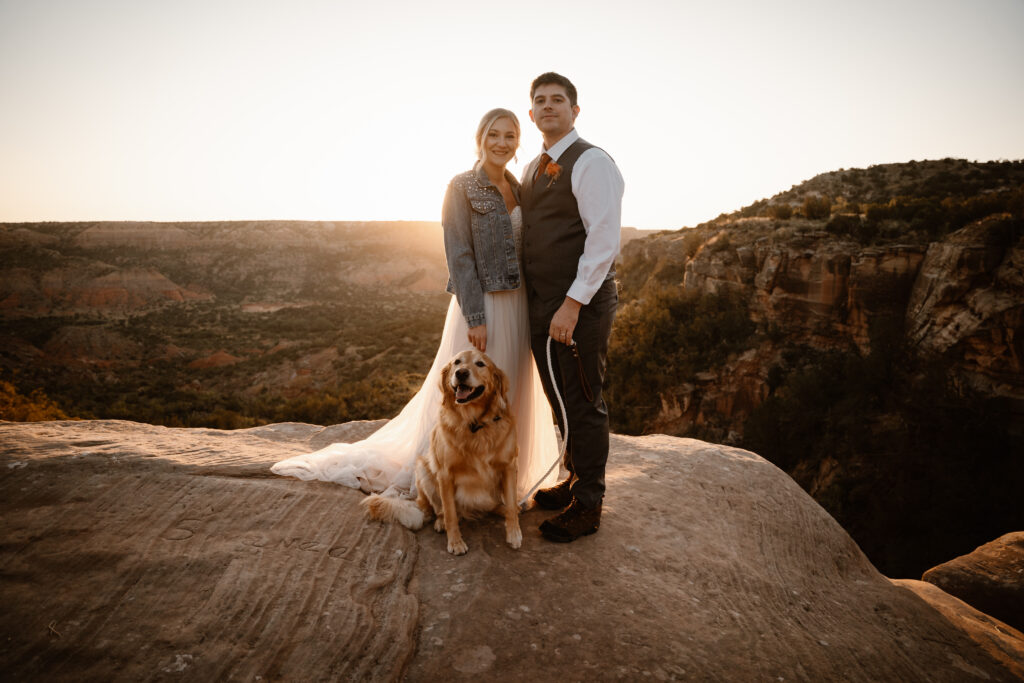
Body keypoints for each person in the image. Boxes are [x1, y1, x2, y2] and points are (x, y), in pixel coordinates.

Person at [270, 109, 558, 502]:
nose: (501, 143)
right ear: (480, 138)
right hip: (483, 306)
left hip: (519, 305)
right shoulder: (461, 187)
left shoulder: (519, 187)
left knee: (507, 397)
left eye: (510, 136)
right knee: (466, 399)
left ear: (518, 142)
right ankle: (448, 479)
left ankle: (497, 483)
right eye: (494, 134)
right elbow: (458, 255)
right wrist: (475, 316)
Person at [520, 72, 624, 542]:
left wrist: (572, 304)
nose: (548, 107)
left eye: (557, 100)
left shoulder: (591, 162)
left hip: (577, 307)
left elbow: (602, 241)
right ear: (531, 113)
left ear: (575, 111)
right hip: (544, 306)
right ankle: (573, 479)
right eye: (539, 101)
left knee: (583, 399)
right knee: (560, 398)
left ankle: (589, 505)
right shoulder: (534, 166)